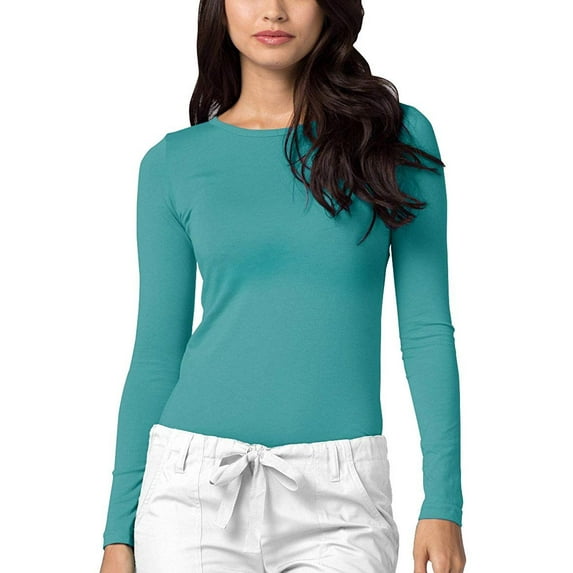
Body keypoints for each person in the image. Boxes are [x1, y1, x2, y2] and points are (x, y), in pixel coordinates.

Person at [99, 1, 466, 572]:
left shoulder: (390, 136)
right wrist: (117, 534)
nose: (273, 10)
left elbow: (425, 330)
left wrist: (443, 503)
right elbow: (155, 357)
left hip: (342, 498)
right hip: (192, 490)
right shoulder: (172, 163)